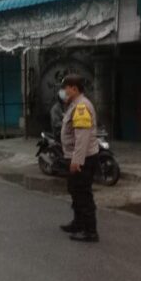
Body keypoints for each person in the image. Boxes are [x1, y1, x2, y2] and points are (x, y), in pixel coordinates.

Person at [59, 74, 100, 243]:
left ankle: (90, 231)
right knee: (75, 191)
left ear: (74, 89)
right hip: (74, 156)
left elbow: (82, 137)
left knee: (83, 193)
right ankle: (78, 222)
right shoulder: (74, 104)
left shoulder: (82, 106)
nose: (63, 92)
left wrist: (77, 161)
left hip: (83, 158)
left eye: (66, 88)